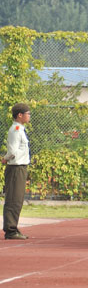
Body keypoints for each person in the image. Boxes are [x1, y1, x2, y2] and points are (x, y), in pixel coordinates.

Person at [2, 103, 31, 240]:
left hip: (20, 167)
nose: (29, 116)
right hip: (15, 168)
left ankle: (13, 227)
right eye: (27, 113)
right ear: (20, 115)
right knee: (13, 199)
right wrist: (5, 158)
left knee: (17, 199)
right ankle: (10, 230)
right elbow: (12, 151)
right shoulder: (16, 130)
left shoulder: (20, 129)